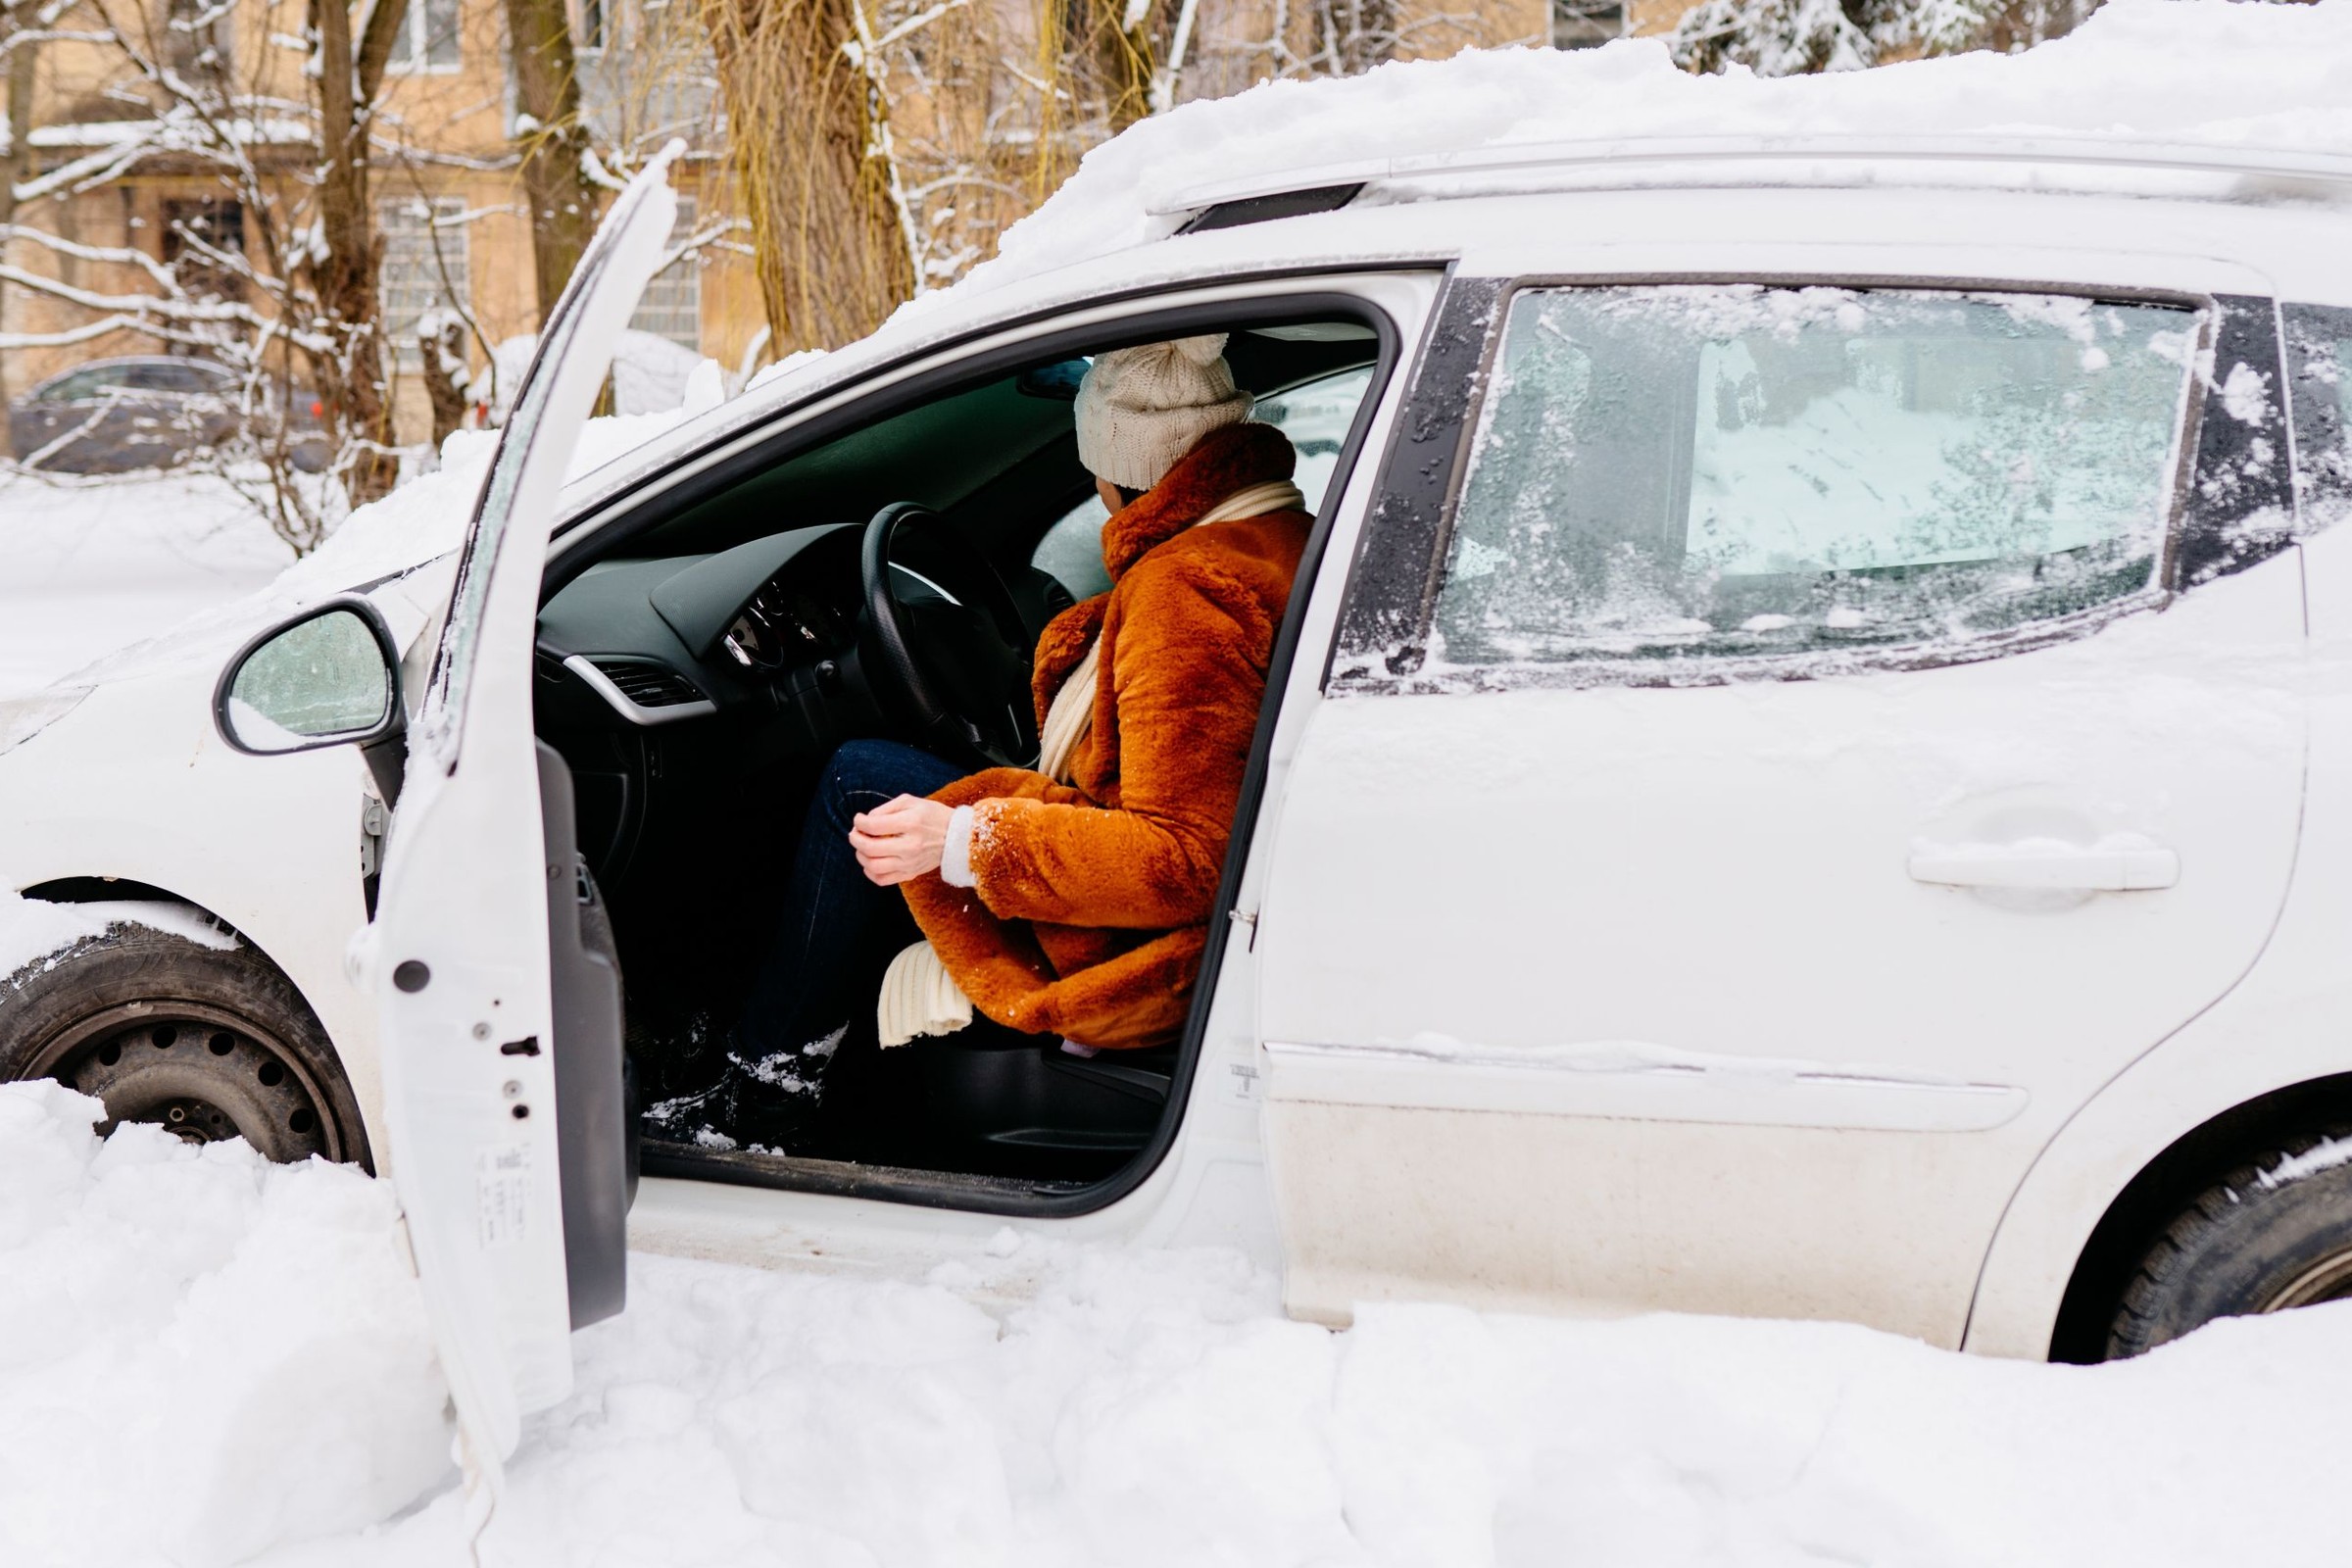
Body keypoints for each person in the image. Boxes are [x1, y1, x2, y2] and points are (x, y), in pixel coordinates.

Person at [724, 332, 1310, 1143]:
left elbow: (1188, 861)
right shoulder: (1276, 535)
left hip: (1139, 952)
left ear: (1117, 469)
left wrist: (968, 839)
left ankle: (764, 1085)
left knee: (856, 780)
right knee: (882, 777)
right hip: (1191, 919)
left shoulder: (1186, 589)